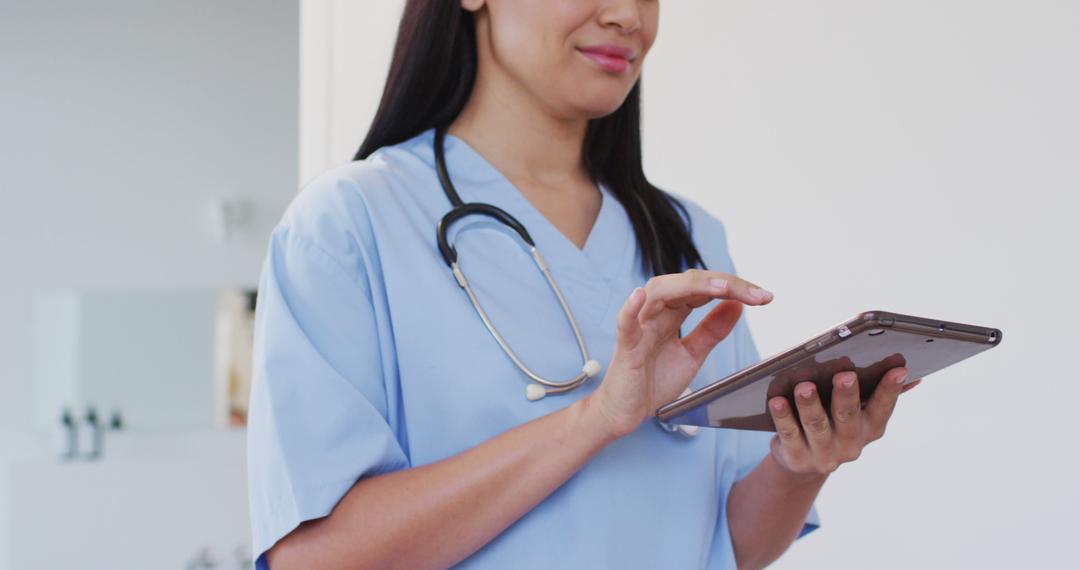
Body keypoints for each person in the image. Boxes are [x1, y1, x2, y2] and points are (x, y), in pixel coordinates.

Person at [246, 1, 921, 568]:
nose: (628, 16)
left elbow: (728, 544)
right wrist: (597, 420)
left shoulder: (685, 237)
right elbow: (315, 556)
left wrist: (803, 463)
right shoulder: (350, 225)